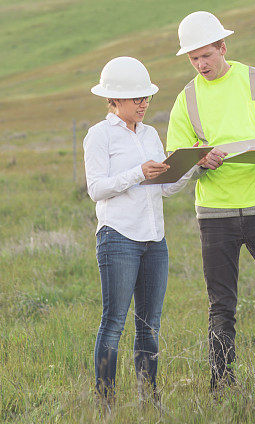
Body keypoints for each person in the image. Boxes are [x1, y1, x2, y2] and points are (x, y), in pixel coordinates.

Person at [166, 11, 255, 392]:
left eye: (206, 55)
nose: (201, 65)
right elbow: (176, 161)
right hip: (215, 215)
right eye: (194, 59)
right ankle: (222, 387)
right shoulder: (186, 99)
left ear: (222, 47)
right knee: (221, 307)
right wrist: (200, 161)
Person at [83, 55, 205, 406]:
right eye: (136, 98)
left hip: (155, 241)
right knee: (114, 323)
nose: (143, 104)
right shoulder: (99, 135)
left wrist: (190, 165)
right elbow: (97, 189)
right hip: (117, 237)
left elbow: (164, 188)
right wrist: (139, 172)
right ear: (113, 100)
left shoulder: (151, 133)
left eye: (146, 97)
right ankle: (104, 402)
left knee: (149, 326)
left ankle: (149, 399)